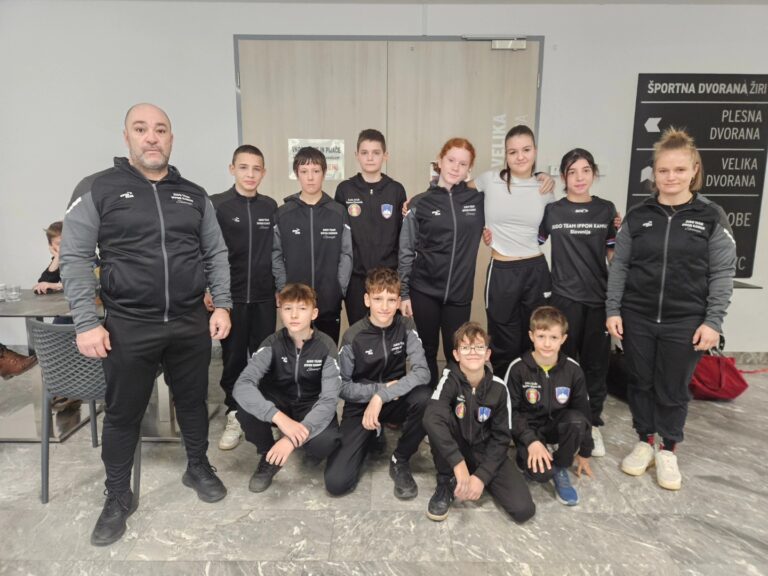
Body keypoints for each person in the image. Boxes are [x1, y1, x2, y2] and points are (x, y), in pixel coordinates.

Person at [60, 103, 233, 547]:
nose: (151, 137)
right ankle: (118, 495)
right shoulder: (97, 188)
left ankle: (198, 467)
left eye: (160, 129)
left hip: (189, 321)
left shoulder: (193, 194)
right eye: (141, 129)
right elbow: (75, 257)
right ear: (127, 137)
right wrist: (86, 322)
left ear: (171, 138)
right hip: (128, 325)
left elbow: (215, 253)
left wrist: (222, 305)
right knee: (123, 415)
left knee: (193, 403)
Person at [606, 127, 736, 491]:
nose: (671, 177)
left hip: (686, 320)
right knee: (640, 382)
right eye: (663, 170)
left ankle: (668, 449)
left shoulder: (711, 216)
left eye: (679, 169)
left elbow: (723, 272)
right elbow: (620, 266)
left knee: (673, 387)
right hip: (637, 316)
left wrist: (713, 321)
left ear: (694, 170)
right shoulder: (639, 216)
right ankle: (645, 440)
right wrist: (613, 309)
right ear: (654, 173)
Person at [324, 267, 431, 499]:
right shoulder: (353, 336)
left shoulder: (406, 327)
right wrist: (376, 392)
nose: (385, 306)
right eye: (378, 299)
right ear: (367, 300)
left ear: (398, 302)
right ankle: (371, 435)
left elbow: (422, 373)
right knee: (336, 482)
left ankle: (400, 458)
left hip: (395, 398)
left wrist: (382, 396)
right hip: (362, 404)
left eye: (391, 299)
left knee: (425, 399)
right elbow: (342, 386)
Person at [538, 148, 617, 457]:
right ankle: (563, 422)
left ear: (593, 173)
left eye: (585, 170)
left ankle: (591, 424)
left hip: (598, 299)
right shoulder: (553, 211)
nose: (579, 177)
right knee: (563, 365)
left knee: (596, 366)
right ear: (563, 177)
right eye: (572, 172)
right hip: (563, 300)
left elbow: (614, 255)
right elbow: (530, 242)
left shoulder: (606, 210)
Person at [232, 283, 342, 493]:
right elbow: (242, 385)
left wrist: (291, 439)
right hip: (280, 403)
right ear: (280, 311)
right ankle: (268, 456)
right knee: (245, 406)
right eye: (288, 308)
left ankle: (302, 441)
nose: (294, 315)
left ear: (314, 313)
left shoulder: (326, 346)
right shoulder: (271, 343)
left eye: (302, 309)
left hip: (310, 404)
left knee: (326, 443)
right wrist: (279, 418)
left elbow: (329, 400)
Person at [423, 321, 535, 523]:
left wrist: (482, 476)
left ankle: (477, 477)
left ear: (487, 354)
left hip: (485, 451)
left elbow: (502, 438)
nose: (473, 352)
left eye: (478, 347)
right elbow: (432, 417)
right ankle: (446, 480)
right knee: (436, 420)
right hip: (457, 449)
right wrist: (458, 463)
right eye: (466, 347)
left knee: (523, 509)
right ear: (456, 354)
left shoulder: (499, 388)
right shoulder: (448, 380)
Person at [398, 138, 484, 387]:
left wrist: (542, 176)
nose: (456, 167)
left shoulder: (478, 200)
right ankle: (427, 402)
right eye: (451, 160)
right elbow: (406, 249)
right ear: (440, 160)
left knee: (457, 352)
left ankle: (453, 399)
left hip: (459, 293)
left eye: (463, 163)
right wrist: (404, 293)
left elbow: (509, 185)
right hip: (424, 290)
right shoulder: (420, 202)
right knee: (425, 350)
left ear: (469, 168)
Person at [209, 145, 278, 451]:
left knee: (264, 359)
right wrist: (210, 290)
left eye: (256, 169)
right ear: (232, 169)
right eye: (244, 167)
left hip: (264, 297)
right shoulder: (217, 205)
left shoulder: (270, 207)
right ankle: (235, 413)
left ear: (263, 173)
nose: (250, 174)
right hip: (231, 299)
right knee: (234, 359)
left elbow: (277, 251)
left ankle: (262, 414)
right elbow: (207, 251)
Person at [474, 126, 555, 377]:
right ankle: (503, 392)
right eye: (513, 152)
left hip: (535, 269)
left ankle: (531, 391)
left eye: (526, 150)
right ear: (506, 155)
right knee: (502, 340)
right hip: (502, 269)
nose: (520, 157)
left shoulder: (545, 187)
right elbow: (455, 194)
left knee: (536, 336)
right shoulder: (490, 179)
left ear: (535, 151)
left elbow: (557, 223)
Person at [506, 306, 594, 506]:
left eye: (553, 337)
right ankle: (526, 457)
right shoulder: (518, 368)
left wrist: (585, 451)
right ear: (531, 336)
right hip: (529, 430)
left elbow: (584, 412)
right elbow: (510, 412)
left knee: (576, 420)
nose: (547, 343)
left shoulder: (573, 370)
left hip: (556, 427)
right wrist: (530, 441)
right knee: (541, 474)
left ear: (563, 339)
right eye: (541, 336)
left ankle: (561, 467)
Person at [272, 146, 353, 343]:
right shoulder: (283, 213)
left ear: (324, 173)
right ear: (296, 174)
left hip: (329, 301)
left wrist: (338, 289)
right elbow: (276, 254)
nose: (310, 177)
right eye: (304, 171)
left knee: (327, 351)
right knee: (296, 353)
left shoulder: (338, 212)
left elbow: (346, 254)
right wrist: (284, 289)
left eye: (316, 171)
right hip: (294, 303)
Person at [334, 130, 407, 325]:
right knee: (360, 332)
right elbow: (339, 237)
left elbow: (403, 237)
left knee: (388, 333)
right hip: (356, 279)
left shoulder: (396, 190)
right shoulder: (345, 189)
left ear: (385, 155)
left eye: (376, 152)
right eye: (364, 152)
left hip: (388, 278)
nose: (370, 158)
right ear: (356, 155)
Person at [33, 221, 65, 295]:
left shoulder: (85, 257)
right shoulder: (61, 260)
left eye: (67, 242)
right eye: (59, 244)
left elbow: (86, 285)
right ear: (51, 246)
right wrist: (57, 258)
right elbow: (43, 285)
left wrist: (55, 286)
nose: (64, 247)